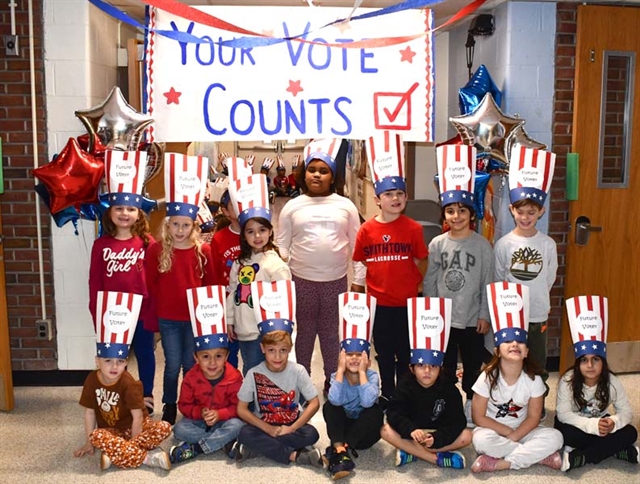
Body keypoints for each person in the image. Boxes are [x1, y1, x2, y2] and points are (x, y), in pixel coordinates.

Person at [276, 139, 366, 394]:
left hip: (335, 280)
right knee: (303, 334)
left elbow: (356, 246)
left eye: (323, 171)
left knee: (330, 334)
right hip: (300, 280)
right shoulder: (294, 205)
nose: (316, 175)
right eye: (311, 170)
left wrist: (358, 279)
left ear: (332, 176)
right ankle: (301, 380)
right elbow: (282, 243)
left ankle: (331, 379)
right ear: (303, 174)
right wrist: (284, 273)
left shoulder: (346, 205)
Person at [353, 132, 428, 401]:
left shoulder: (414, 229)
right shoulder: (366, 230)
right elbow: (360, 263)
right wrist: (359, 296)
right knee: (384, 352)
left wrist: (417, 284)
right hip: (379, 304)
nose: (395, 199)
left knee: (406, 352)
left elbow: (422, 259)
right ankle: (387, 392)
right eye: (389, 194)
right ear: (377, 199)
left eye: (400, 194)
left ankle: (404, 395)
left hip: (407, 303)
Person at [424, 144, 493, 426]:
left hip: (471, 317)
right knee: (447, 365)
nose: (456, 216)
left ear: (472, 215)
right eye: (450, 211)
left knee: (473, 365)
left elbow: (489, 281)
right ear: (444, 215)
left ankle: (469, 403)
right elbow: (430, 279)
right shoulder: (437, 244)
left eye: (462, 211)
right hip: (444, 318)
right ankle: (446, 402)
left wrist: (485, 315)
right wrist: (430, 313)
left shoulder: (482, 246)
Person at [146, 153, 215, 425]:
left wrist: (210, 319)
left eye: (185, 225)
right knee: (172, 364)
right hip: (169, 319)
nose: (180, 230)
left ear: (193, 226)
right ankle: (169, 403)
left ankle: (189, 403)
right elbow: (151, 284)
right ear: (167, 224)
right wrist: (152, 319)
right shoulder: (157, 250)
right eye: (175, 224)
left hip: (194, 319)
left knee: (190, 364)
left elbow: (210, 286)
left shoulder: (203, 251)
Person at [89, 150, 156, 415]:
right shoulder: (100, 245)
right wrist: (96, 311)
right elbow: (95, 282)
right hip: (112, 314)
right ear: (110, 212)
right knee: (115, 358)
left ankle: (147, 396)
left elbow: (152, 281)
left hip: (142, 313)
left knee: (145, 354)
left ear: (139, 213)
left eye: (131, 208)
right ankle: (116, 398)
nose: (125, 213)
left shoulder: (147, 244)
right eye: (119, 208)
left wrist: (152, 312)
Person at [470, 282, 563, 473]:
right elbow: (478, 417)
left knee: (556, 437)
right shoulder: (486, 378)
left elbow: (534, 417)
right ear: (497, 350)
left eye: (520, 341)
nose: (514, 344)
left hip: (524, 430)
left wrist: (515, 436)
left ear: (527, 352)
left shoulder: (534, 380)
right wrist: (508, 434)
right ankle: (537, 456)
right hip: (494, 431)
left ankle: (502, 463)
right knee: (479, 440)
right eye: (507, 340)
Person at [74, 291, 172, 471]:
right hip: (113, 430)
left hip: (136, 425)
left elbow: (137, 417)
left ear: (126, 362)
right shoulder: (91, 381)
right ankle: (147, 458)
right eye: (108, 361)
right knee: (96, 436)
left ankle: (118, 453)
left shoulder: (128, 382)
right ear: (98, 361)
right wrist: (89, 443)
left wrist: (133, 442)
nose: (114, 367)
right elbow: (89, 413)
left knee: (164, 427)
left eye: (120, 362)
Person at [494, 145, 558, 413]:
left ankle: (537, 405)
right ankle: (512, 404)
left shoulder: (547, 244)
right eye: (521, 212)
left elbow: (550, 276)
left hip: (537, 314)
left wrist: (540, 300)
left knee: (537, 362)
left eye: (532, 212)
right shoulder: (504, 244)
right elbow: (500, 278)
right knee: (510, 361)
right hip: (511, 315)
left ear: (540, 212)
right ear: (512, 210)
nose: (526, 217)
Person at [380, 296, 471, 470]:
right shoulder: (405, 385)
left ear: (441, 368)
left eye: (433, 366)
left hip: (436, 434)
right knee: (384, 430)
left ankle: (411, 452)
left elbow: (458, 421)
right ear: (412, 368)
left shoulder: (449, 389)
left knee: (467, 436)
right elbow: (393, 413)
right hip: (412, 433)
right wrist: (410, 430)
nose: (427, 371)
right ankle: (435, 459)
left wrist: (437, 438)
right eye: (421, 365)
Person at [555, 295, 638, 471]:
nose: (590, 365)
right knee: (562, 431)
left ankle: (583, 456)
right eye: (584, 360)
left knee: (631, 432)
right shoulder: (567, 380)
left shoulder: (612, 382)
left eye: (596, 360)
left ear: (604, 362)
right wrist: (591, 426)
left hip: (602, 423)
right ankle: (615, 450)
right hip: (578, 425)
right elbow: (563, 414)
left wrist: (614, 422)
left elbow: (626, 412)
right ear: (578, 363)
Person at [232, 321, 324, 469]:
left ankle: (257, 449)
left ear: (290, 349)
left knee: (311, 434)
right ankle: (295, 456)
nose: (277, 356)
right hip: (263, 426)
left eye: (283, 350)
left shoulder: (298, 371)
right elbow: (241, 409)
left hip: (291, 426)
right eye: (271, 350)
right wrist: (268, 429)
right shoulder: (253, 373)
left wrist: (292, 428)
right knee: (244, 432)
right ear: (262, 348)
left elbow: (314, 403)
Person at [169, 285, 245, 464]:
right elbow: (184, 405)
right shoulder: (191, 378)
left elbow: (238, 408)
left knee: (240, 425)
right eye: (205, 357)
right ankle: (223, 442)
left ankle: (196, 448)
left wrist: (220, 414)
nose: (212, 363)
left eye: (218, 356)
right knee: (179, 429)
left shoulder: (234, 377)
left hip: (224, 420)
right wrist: (199, 412)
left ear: (226, 356)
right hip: (199, 422)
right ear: (195, 357)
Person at [227, 174, 291, 375]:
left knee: (269, 372)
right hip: (244, 330)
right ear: (243, 235)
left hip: (267, 332)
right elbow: (232, 293)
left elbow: (284, 302)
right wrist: (229, 320)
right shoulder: (239, 263)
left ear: (270, 232)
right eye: (250, 231)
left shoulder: (276, 265)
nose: (257, 236)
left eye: (262, 230)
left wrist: (282, 332)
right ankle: (251, 406)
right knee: (250, 371)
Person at [323, 292, 383, 480]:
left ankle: (338, 450)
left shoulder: (372, 376)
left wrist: (363, 373)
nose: (355, 358)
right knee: (329, 406)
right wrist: (340, 371)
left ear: (368, 360)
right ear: (342, 358)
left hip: (362, 435)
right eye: (350, 354)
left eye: (360, 354)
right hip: (343, 427)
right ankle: (341, 451)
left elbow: (367, 403)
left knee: (375, 411)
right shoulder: (336, 376)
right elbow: (334, 400)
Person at [210, 189, 241, 369]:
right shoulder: (219, 238)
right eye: (235, 205)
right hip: (226, 304)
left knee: (253, 351)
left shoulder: (255, 235)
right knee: (229, 351)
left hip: (250, 306)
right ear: (226, 210)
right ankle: (231, 386)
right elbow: (213, 273)